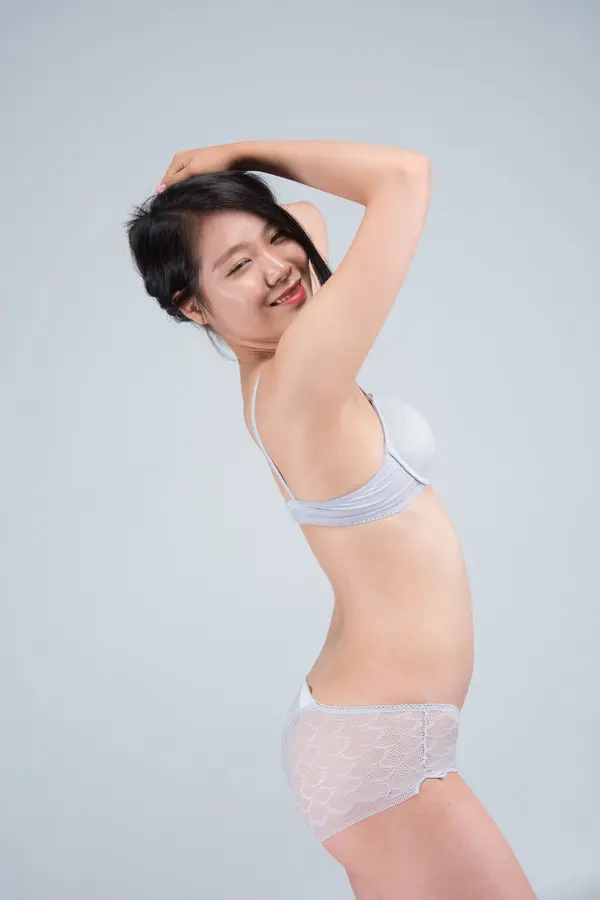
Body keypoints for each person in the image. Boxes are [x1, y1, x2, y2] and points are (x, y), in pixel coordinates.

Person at [125, 140, 537, 900]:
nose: (279, 269)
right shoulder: (301, 373)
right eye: (236, 268)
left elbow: (305, 216)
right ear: (192, 306)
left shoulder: (267, 362)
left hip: (364, 733)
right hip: (383, 748)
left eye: (273, 241)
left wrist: (235, 217)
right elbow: (404, 176)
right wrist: (240, 152)